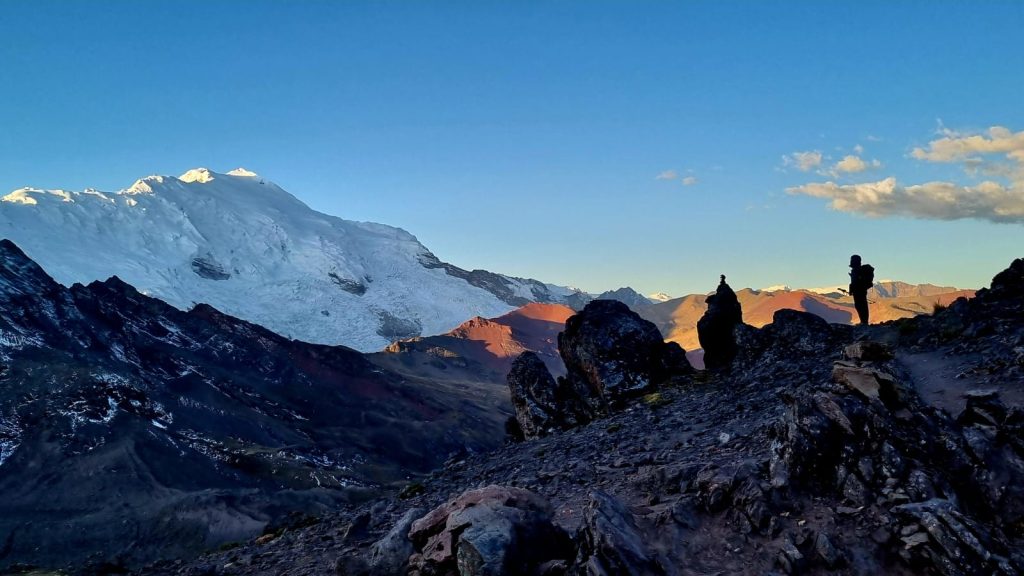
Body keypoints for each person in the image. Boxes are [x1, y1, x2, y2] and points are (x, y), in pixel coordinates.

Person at [848, 255, 873, 325]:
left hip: (859, 291)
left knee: (861, 305)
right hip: (859, 290)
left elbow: (856, 282)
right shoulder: (856, 270)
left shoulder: (857, 270)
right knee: (860, 305)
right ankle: (863, 322)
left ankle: (864, 322)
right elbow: (854, 282)